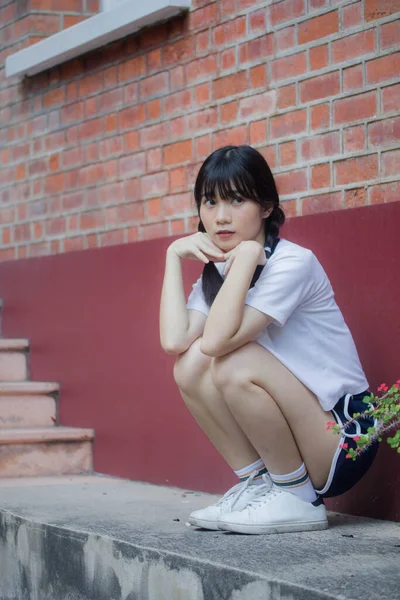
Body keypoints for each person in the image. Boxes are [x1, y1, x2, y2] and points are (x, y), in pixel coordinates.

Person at [159, 145, 379, 535]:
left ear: (265, 207)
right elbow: (176, 340)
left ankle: (298, 499)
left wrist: (245, 256)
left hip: (344, 437)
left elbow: (217, 343)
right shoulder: (220, 271)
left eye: (236, 200)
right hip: (306, 432)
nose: (220, 216)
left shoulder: (293, 263)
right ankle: (260, 485)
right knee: (189, 367)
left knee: (230, 361)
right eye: (209, 202)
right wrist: (173, 256)